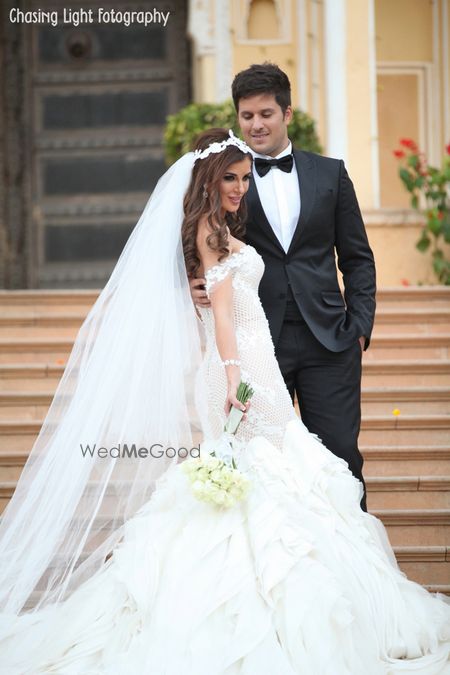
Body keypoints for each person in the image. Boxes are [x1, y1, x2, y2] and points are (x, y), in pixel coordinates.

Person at [0, 129, 449, 674]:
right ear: (207, 179)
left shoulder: (217, 226)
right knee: (272, 471)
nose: (240, 187)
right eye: (229, 178)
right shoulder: (210, 231)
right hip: (242, 367)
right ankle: (253, 604)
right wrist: (237, 376)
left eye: (242, 177)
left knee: (276, 475)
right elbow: (219, 313)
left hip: (252, 357)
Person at [190, 64, 376, 511]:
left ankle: (351, 567)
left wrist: (360, 326)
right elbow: (199, 240)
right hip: (256, 343)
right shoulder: (227, 179)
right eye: (247, 115)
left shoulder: (330, 174)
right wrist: (197, 286)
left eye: (266, 113)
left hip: (329, 340)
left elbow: (357, 256)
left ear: (287, 113)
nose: (256, 124)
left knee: (340, 457)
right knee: (265, 461)